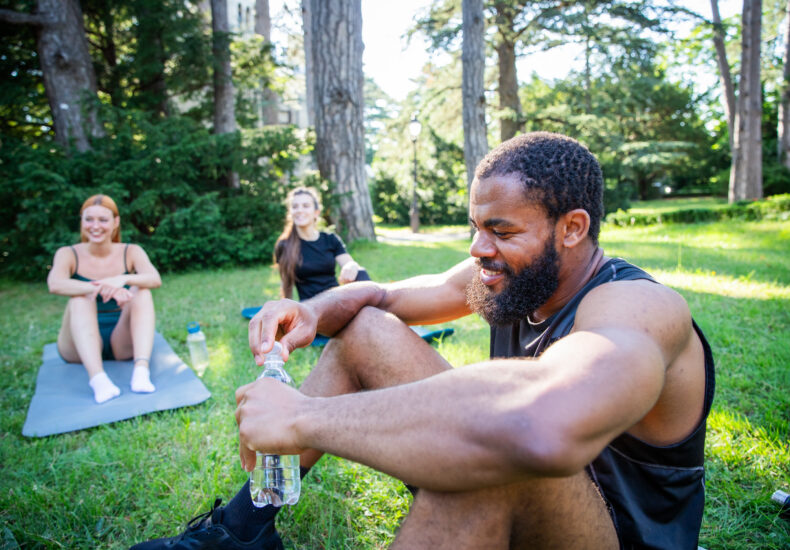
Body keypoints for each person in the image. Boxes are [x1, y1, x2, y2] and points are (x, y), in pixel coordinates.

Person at [133, 132, 714, 550]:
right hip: (542, 486)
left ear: (573, 228)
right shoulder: (515, 275)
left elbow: (536, 429)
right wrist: (309, 310)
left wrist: (303, 419)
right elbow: (382, 298)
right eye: (476, 227)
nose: (478, 249)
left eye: (501, 230)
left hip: (608, 534)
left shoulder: (639, 307)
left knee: (494, 459)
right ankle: (240, 530)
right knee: (366, 331)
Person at [47, 194, 162, 404]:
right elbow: (55, 284)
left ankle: (141, 372)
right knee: (80, 298)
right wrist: (101, 288)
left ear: (116, 223)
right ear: (81, 221)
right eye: (89, 219)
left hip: (121, 340)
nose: (95, 226)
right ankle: (98, 379)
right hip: (77, 344)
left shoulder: (131, 251)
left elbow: (155, 279)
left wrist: (122, 279)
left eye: (103, 220)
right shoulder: (68, 253)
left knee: (142, 291)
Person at [274, 186, 370, 302]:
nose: (299, 210)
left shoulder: (330, 239)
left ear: (316, 212)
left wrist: (352, 266)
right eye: (295, 206)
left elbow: (348, 263)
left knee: (360, 272)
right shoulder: (284, 245)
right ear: (291, 212)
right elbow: (286, 286)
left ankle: (375, 306)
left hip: (336, 299)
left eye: (305, 206)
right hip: (311, 306)